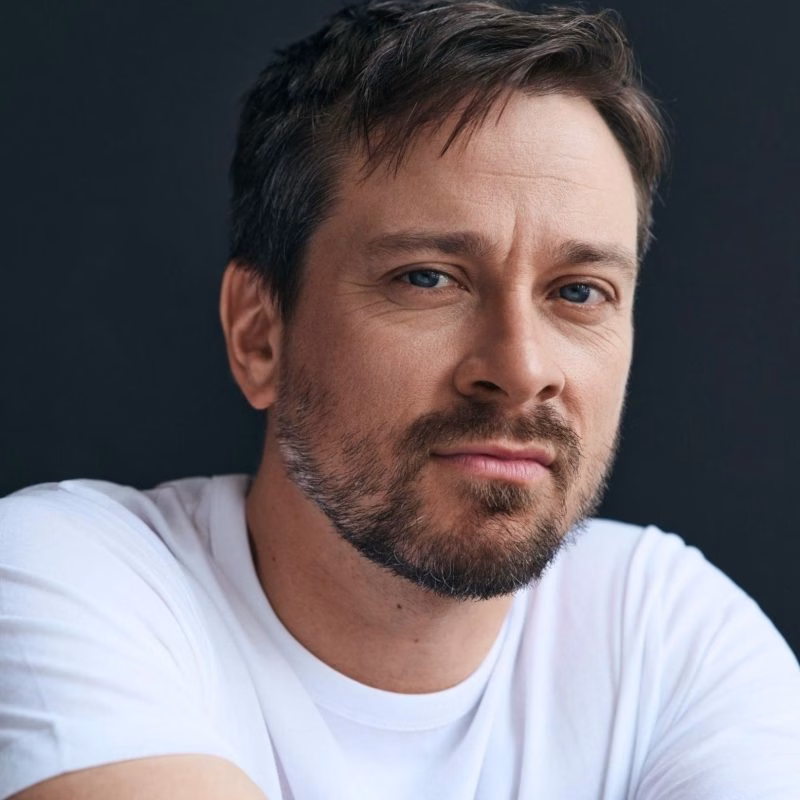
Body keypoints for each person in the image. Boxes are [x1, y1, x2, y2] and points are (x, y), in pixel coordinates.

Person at [1, 0, 799, 797]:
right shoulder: (68, 578)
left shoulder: (666, 631)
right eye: (427, 278)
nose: (521, 369)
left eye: (580, 292)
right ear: (260, 334)